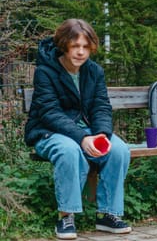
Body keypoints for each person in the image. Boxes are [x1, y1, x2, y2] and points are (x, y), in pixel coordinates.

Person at [25, 19, 132, 239]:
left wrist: (101, 133)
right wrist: (83, 138)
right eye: (75, 46)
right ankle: (66, 217)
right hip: (49, 132)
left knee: (119, 149)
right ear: (64, 45)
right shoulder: (45, 71)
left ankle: (107, 215)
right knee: (69, 151)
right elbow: (49, 112)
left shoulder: (94, 71)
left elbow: (101, 106)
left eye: (85, 47)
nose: (81, 52)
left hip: (87, 132)